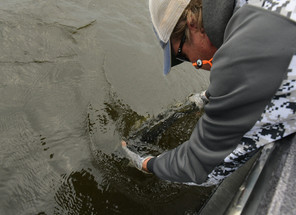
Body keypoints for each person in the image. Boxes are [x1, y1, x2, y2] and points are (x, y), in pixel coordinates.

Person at [122, 0, 296, 186]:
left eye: (181, 55)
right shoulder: (256, 11)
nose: (193, 63)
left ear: (192, 24)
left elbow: (197, 167)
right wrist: (209, 97)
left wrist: (146, 163)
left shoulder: (244, 56)